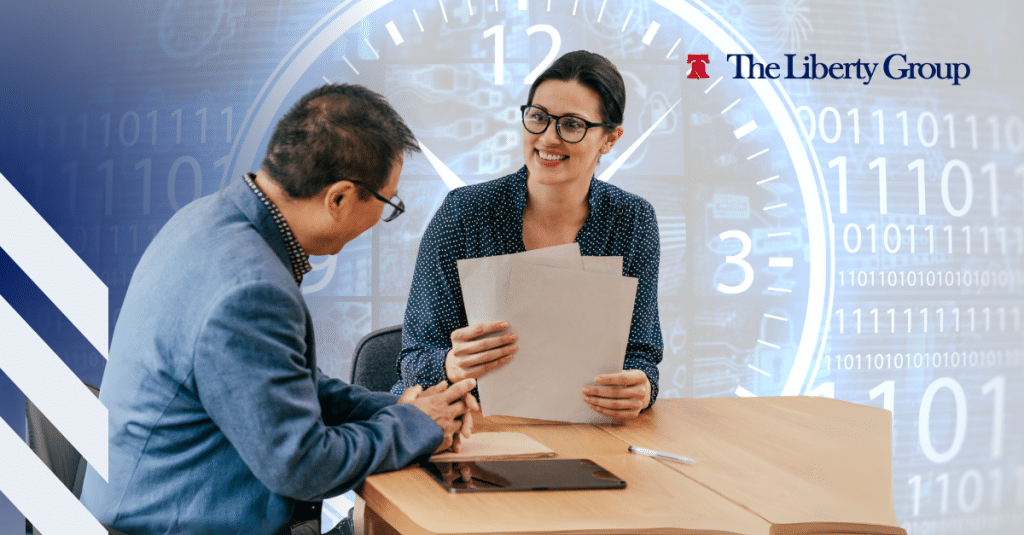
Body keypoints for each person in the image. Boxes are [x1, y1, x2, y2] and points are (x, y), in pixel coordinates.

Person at [80, 84, 477, 535]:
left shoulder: (208, 221)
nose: (383, 219)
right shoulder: (249, 291)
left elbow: (284, 384)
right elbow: (304, 465)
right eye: (389, 203)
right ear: (340, 198)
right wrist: (414, 424)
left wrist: (406, 408)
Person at [392, 50, 663, 420]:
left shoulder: (632, 221)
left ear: (609, 140)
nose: (548, 138)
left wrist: (642, 387)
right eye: (538, 118)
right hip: (466, 425)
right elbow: (413, 359)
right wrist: (450, 364)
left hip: (583, 427)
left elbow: (641, 354)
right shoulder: (464, 213)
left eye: (571, 125)